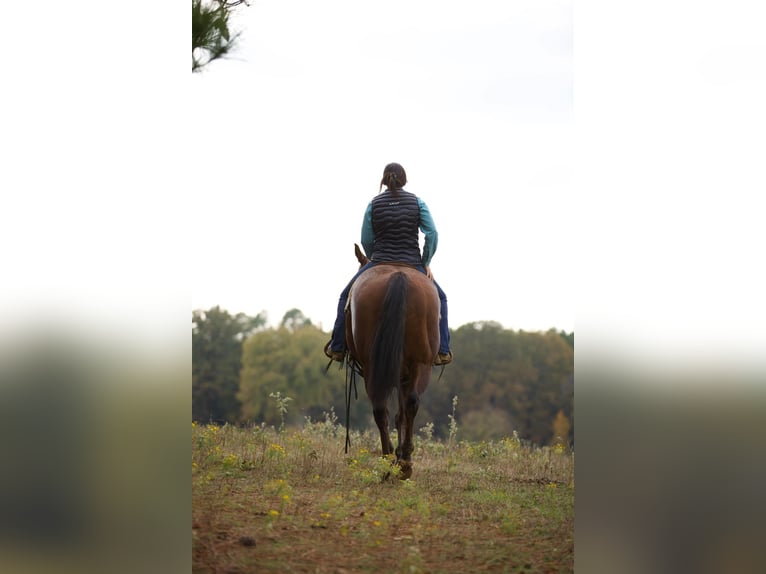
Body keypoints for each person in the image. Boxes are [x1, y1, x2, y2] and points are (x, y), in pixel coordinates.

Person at [324, 162, 453, 366]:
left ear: (384, 180)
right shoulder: (418, 203)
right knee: (442, 299)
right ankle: (443, 350)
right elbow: (432, 233)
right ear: (405, 180)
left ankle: (338, 347)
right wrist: (425, 261)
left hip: (380, 260)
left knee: (343, 297)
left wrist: (374, 257)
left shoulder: (373, 204)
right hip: (412, 262)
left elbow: (366, 238)